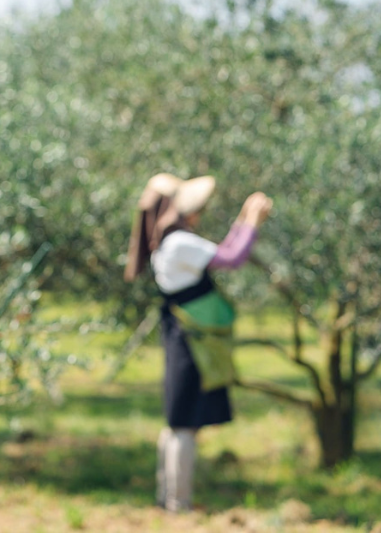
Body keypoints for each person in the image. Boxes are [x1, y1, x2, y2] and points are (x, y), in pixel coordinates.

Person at [125, 173, 272, 513]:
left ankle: (168, 499)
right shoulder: (179, 243)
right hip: (191, 342)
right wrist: (251, 222)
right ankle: (179, 504)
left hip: (181, 336)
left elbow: (223, 252)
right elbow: (232, 259)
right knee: (183, 425)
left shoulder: (168, 243)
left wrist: (243, 221)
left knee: (176, 422)